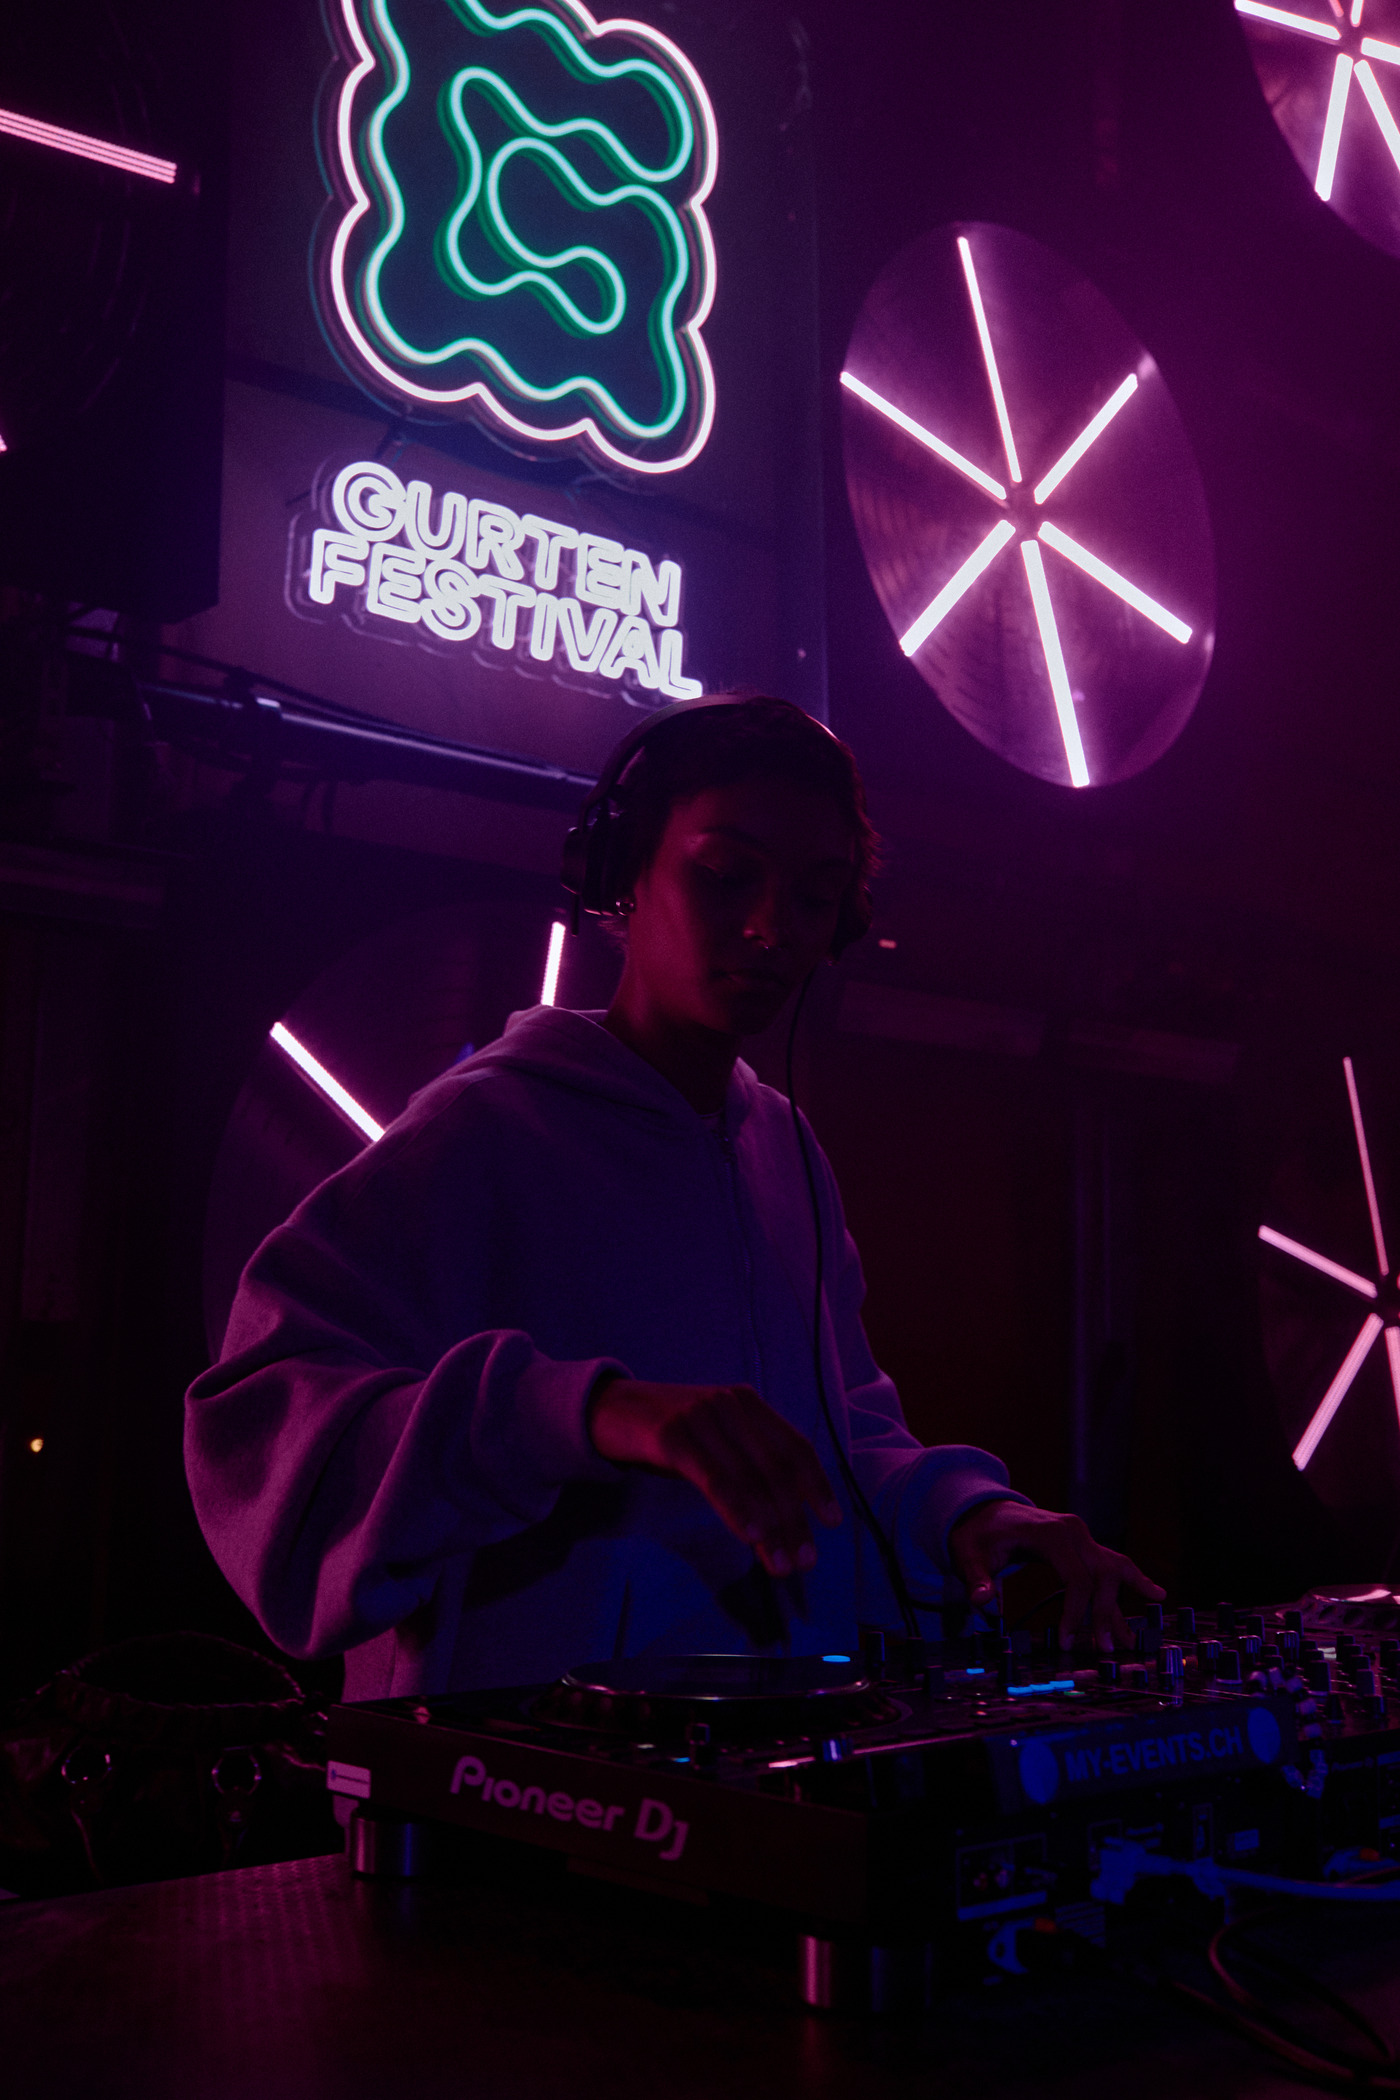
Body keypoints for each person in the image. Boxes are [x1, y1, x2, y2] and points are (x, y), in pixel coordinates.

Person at [185, 696, 1161, 1699]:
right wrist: (586, 1412)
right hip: (522, 1765)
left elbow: (835, 1446)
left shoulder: (785, 1148)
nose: (772, 929)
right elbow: (259, 1418)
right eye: (726, 873)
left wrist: (968, 1516)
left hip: (764, 1752)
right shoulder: (484, 1127)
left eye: (815, 894)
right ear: (622, 873)